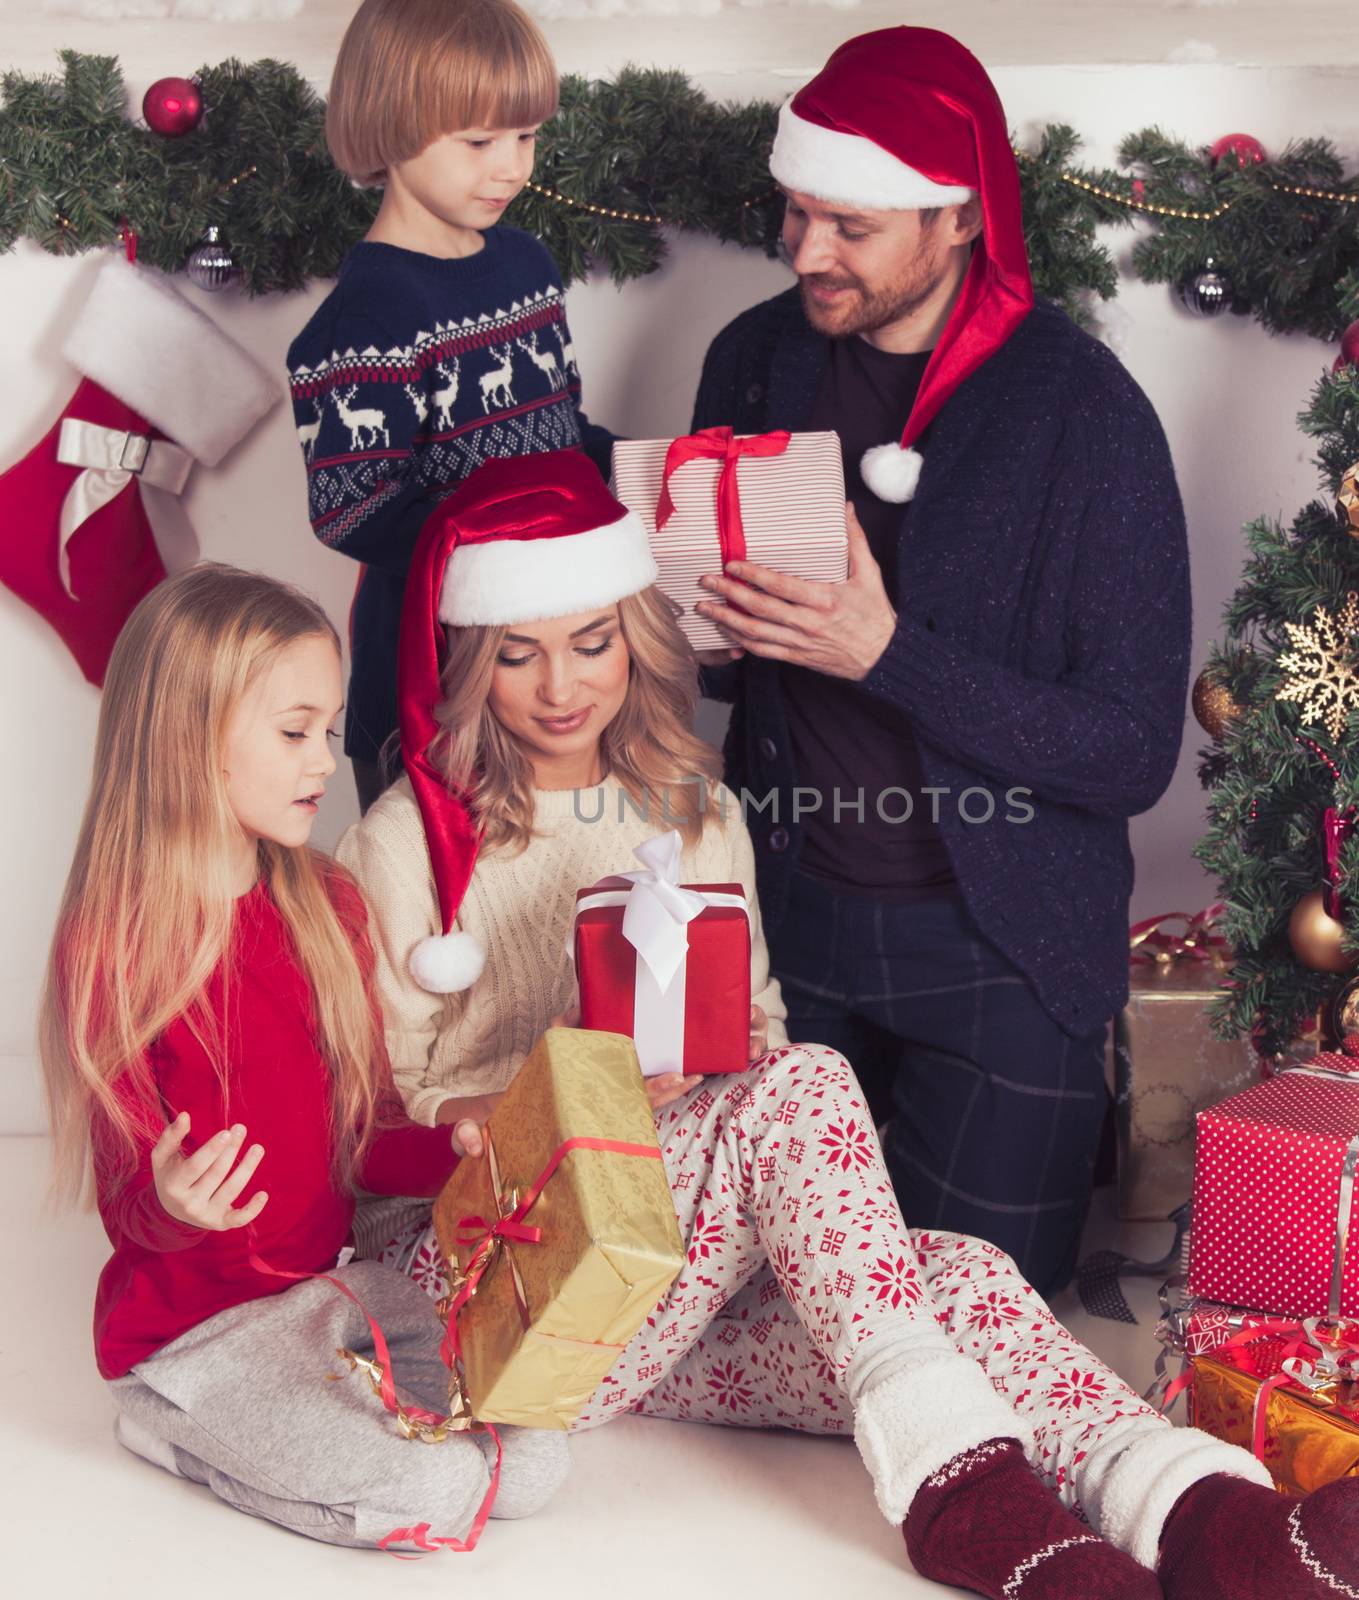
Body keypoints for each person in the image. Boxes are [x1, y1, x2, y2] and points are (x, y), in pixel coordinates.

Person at [339, 452, 1359, 1600]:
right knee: (807, 1084)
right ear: (468, 658)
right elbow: (371, 1128)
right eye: (517, 653)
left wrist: (690, 1076)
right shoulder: (408, 838)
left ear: (635, 637)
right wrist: (560, 1089)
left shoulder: (692, 805)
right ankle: (955, 1495)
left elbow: (748, 1035)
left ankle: (1196, 1511)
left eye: (591, 641)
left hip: (670, 1289)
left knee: (956, 1274)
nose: (560, 684)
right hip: (505, 1293)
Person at [690, 27, 1189, 1295]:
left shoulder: (1084, 416)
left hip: (1001, 951)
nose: (807, 250)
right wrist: (683, 621)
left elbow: (1128, 752)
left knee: (971, 1336)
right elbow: (724, 664)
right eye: (797, 212)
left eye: (849, 227)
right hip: (784, 927)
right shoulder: (756, 359)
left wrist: (887, 653)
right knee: (777, 1327)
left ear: (958, 219)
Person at [39, 564, 568, 1549]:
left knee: (535, 1461)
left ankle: (297, 1426)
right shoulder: (116, 945)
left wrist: (456, 1140)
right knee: (438, 1492)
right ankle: (167, 1425)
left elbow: (360, 1145)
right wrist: (171, 1199)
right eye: (294, 733)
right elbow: (129, 1200)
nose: (324, 761)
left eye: (327, 730)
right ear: (187, 736)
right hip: (196, 1338)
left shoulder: (326, 905)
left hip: (331, 1289)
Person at [287, 0, 613, 813]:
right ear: (390, 131)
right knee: (439, 912)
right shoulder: (371, 316)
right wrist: (502, 546)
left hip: (554, 660)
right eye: (478, 142)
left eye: (526, 137)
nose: (511, 167)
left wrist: (662, 472)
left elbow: (563, 436)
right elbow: (350, 510)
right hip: (432, 680)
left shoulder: (525, 263)